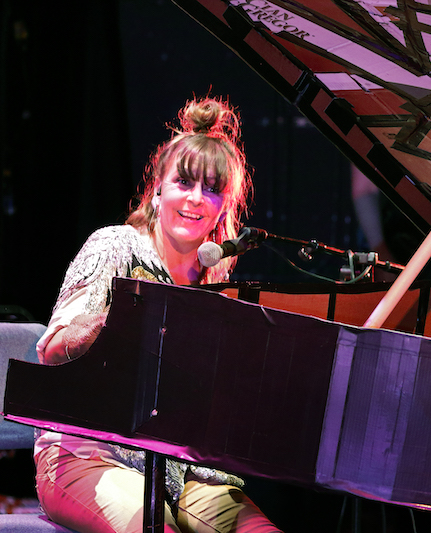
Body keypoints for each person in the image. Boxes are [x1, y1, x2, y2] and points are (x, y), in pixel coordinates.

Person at [34, 96, 282, 533]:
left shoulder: (217, 281)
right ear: (157, 189)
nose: (195, 198)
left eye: (212, 189)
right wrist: (120, 320)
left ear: (224, 207)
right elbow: (53, 350)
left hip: (181, 473)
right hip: (88, 456)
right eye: (184, 182)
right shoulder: (116, 245)